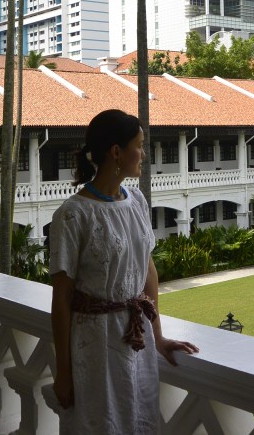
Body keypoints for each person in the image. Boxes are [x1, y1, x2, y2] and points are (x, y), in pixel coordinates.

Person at [48, 109, 198, 434]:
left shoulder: (137, 201)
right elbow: (61, 300)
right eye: (140, 145)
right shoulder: (74, 215)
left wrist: (157, 336)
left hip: (137, 339)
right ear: (116, 152)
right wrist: (63, 371)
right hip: (96, 343)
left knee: (139, 419)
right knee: (101, 423)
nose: (144, 154)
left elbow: (148, 272)